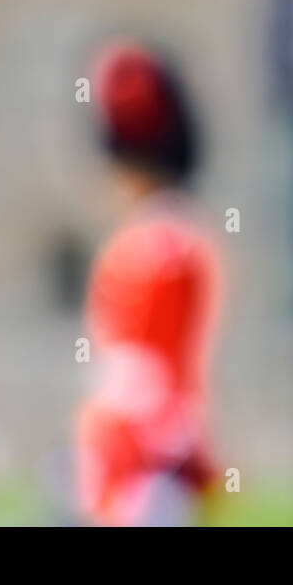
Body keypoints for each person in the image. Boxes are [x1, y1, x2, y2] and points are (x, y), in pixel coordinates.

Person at [74, 40, 223, 526]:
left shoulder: (161, 247)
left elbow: (146, 374)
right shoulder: (170, 237)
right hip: (144, 457)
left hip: (145, 466)